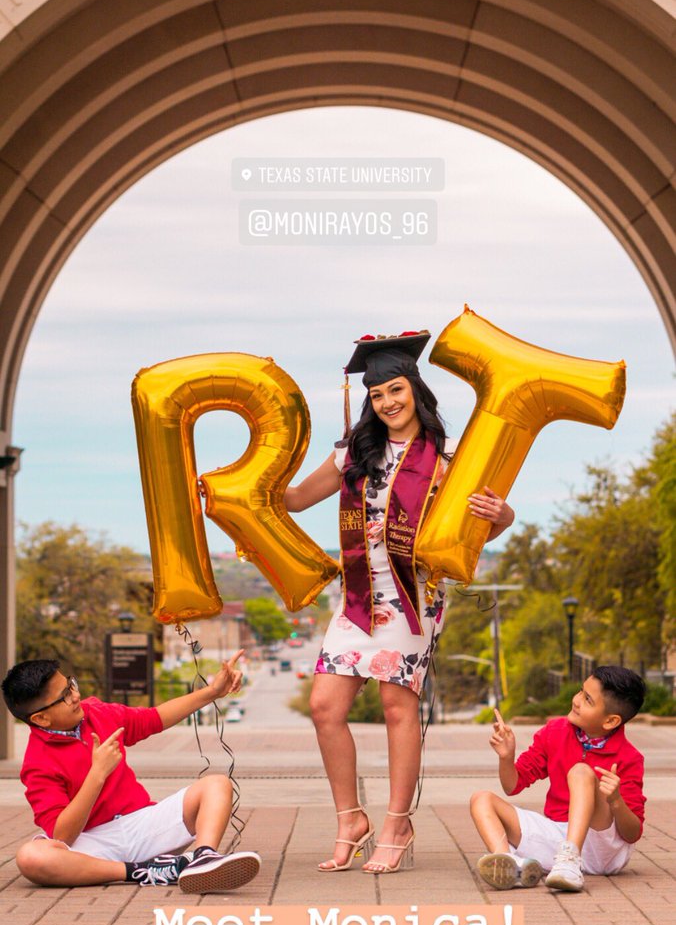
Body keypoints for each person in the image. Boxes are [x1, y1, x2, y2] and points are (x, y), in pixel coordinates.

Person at [284, 330, 514, 874]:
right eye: (378, 395)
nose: (387, 403)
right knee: (324, 707)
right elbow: (293, 500)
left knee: (396, 708)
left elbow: (484, 527)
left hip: (413, 597)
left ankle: (396, 821)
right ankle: (350, 819)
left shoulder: (449, 458)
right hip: (359, 595)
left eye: (396, 390)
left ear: (415, 389)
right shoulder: (352, 454)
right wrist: (231, 490)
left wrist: (502, 516)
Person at [1, 654, 262, 892]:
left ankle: (203, 859)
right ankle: (145, 871)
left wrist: (213, 692)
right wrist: (97, 774)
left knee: (217, 784)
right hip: (92, 844)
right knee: (31, 857)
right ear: (41, 719)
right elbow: (63, 835)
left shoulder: (97, 712)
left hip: (143, 825)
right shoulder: (37, 763)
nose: (75, 696)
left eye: (70, 685)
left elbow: (155, 717)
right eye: (64, 696)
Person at [470, 665, 646, 892]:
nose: (576, 700)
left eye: (588, 700)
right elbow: (512, 785)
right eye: (581, 692)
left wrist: (615, 801)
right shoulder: (555, 732)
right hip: (557, 836)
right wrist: (506, 757)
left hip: (602, 848)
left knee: (581, 771)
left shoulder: (629, 757)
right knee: (481, 799)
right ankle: (509, 864)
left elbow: (632, 834)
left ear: (611, 721)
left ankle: (570, 861)